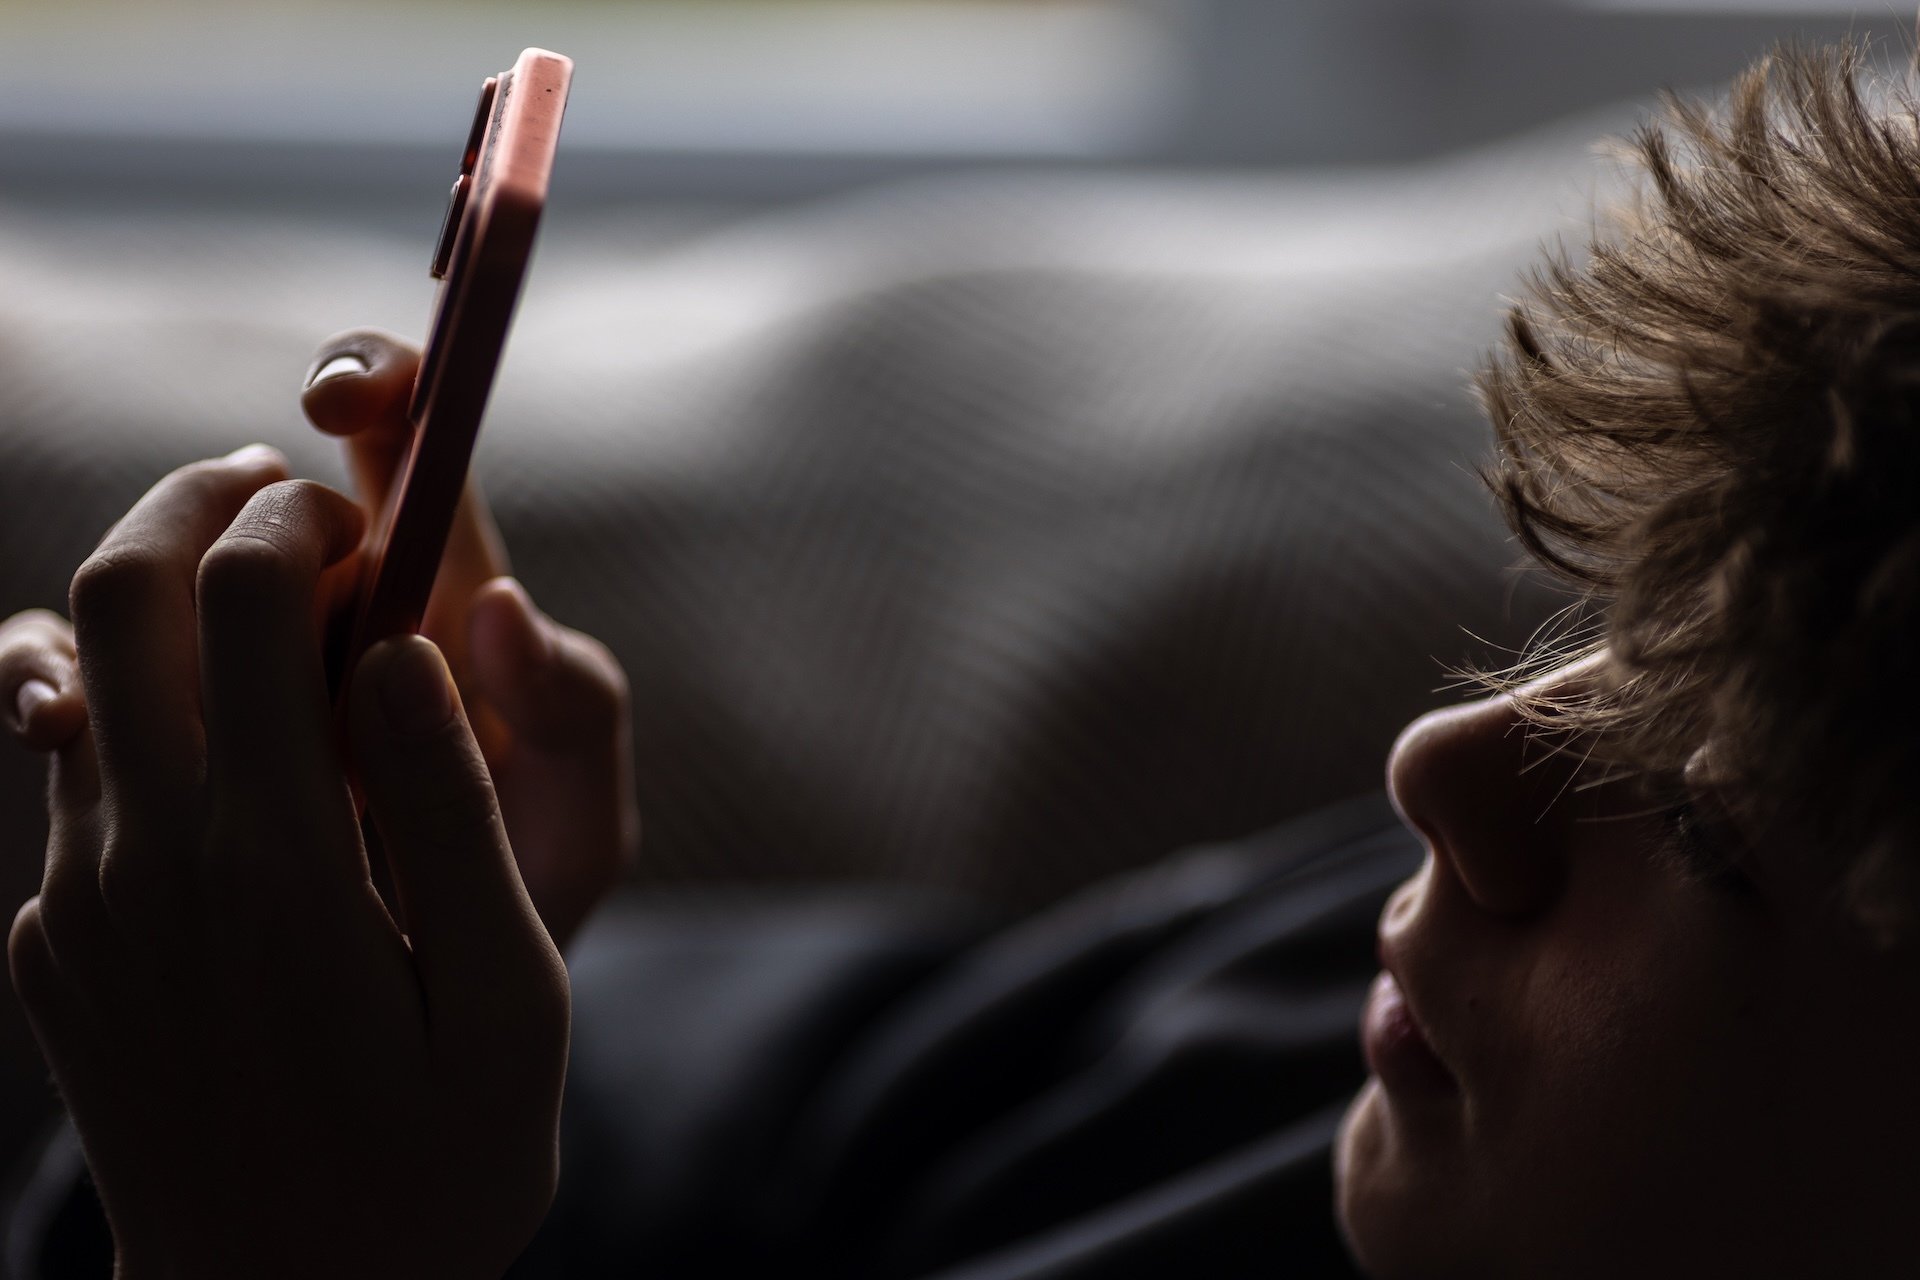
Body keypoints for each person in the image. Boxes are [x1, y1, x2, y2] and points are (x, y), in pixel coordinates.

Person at [3, 33, 1920, 1279]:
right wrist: (431, 953)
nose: (1445, 764)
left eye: (1703, 821)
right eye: (1619, 634)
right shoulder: (1344, 1048)